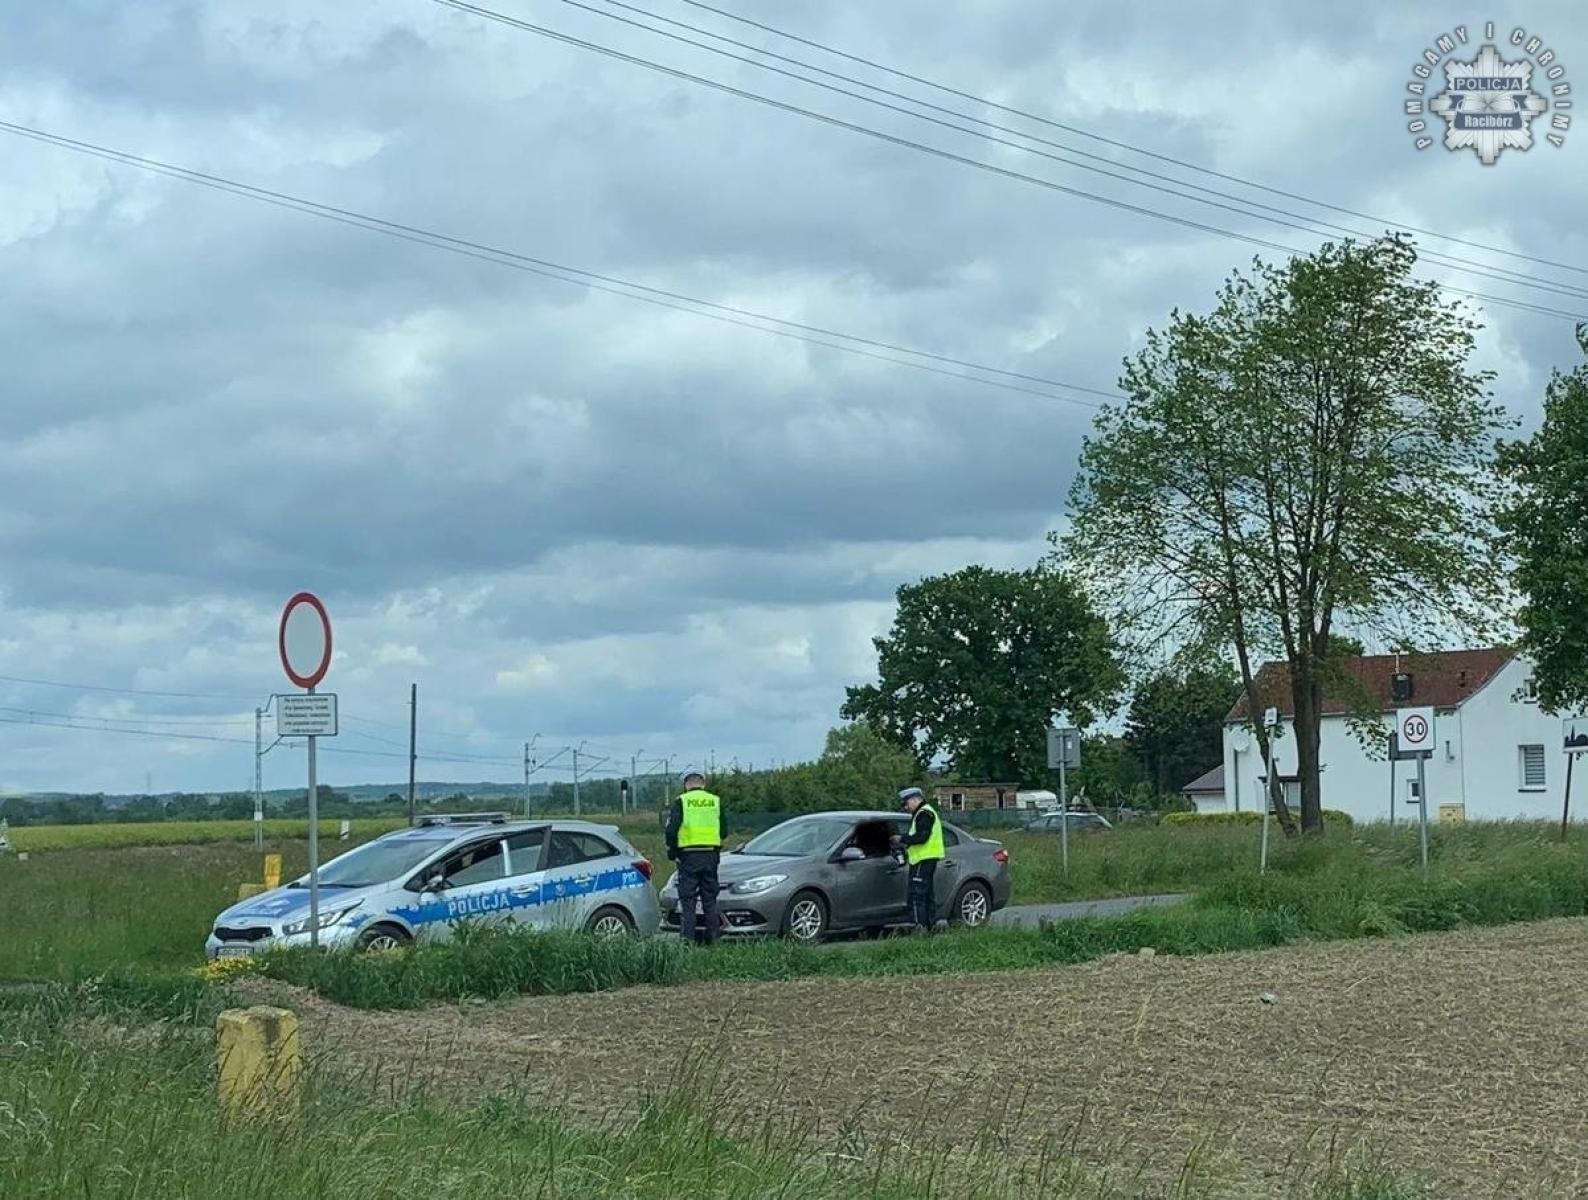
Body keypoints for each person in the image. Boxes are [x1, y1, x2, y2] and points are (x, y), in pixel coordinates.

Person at [664, 770, 726, 945]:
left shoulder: (682, 802)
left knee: (688, 900)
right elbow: (724, 830)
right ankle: (713, 939)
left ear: (686, 786)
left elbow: (671, 830)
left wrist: (673, 853)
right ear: (703, 784)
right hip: (711, 855)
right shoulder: (715, 801)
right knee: (709, 899)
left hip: (688, 856)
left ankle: (687, 941)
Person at [898, 786, 944, 933]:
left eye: (906, 803)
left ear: (915, 799)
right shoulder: (926, 812)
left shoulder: (924, 814)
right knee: (927, 893)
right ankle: (930, 926)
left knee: (917, 894)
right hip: (925, 859)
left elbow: (922, 837)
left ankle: (919, 926)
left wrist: (903, 839)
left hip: (923, 859)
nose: (906, 807)